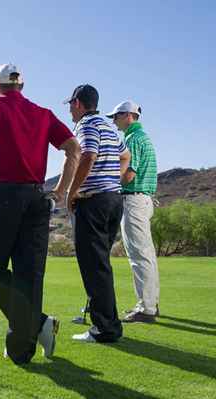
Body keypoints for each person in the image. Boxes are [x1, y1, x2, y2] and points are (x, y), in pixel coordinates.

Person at [0, 64, 80, 364]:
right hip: (38, 199)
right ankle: (22, 349)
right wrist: (58, 192)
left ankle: (37, 324)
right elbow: (73, 147)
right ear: (21, 86)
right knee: (29, 275)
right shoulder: (43, 113)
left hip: (7, 195)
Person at [65, 85, 131, 343]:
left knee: (94, 266)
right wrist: (112, 180)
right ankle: (107, 322)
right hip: (113, 200)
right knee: (100, 265)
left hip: (93, 203)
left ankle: (105, 329)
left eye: (71, 104)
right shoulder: (108, 126)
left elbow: (88, 155)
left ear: (79, 103)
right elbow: (126, 156)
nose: (70, 109)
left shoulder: (86, 125)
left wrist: (72, 191)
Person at [107, 100, 159, 323]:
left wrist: (107, 183)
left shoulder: (132, 139)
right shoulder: (141, 137)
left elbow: (129, 174)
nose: (113, 120)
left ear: (129, 116)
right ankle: (150, 304)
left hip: (134, 200)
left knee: (139, 256)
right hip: (143, 200)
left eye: (116, 116)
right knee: (145, 254)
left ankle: (146, 308)